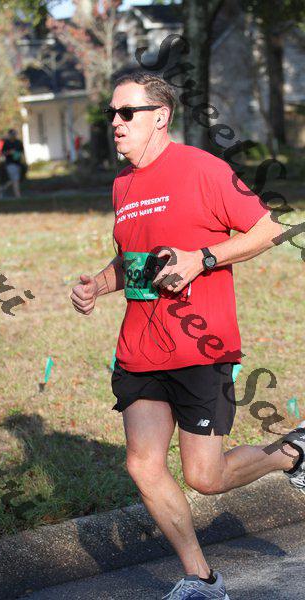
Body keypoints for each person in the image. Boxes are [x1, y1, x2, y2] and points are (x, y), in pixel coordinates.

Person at [69, 72, 305, 600]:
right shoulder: (123, 184)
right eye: (111, 113)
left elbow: (270, 228)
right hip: (140, 347)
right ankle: (201, 579)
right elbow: (132, 257)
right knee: (142, 464)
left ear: (161, 116)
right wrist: (99, 285)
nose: (115, 123)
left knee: (206, 477)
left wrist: (202, 259)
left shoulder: (203, 168)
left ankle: (292, 453)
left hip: (201, 346)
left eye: (127, 112)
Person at [0, 129, 25, 199]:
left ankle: (2, 188)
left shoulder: (18, 142)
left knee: (15, 179)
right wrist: (9, 152)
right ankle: (18, 196)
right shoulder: (6, 143)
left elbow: (22, 152)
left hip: (18, 163)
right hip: (10, 164)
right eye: (12, 134)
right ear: (9, 135)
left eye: (14, 134)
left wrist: (20, 157)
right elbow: (1, 153)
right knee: (15, 179)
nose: (13, 135)